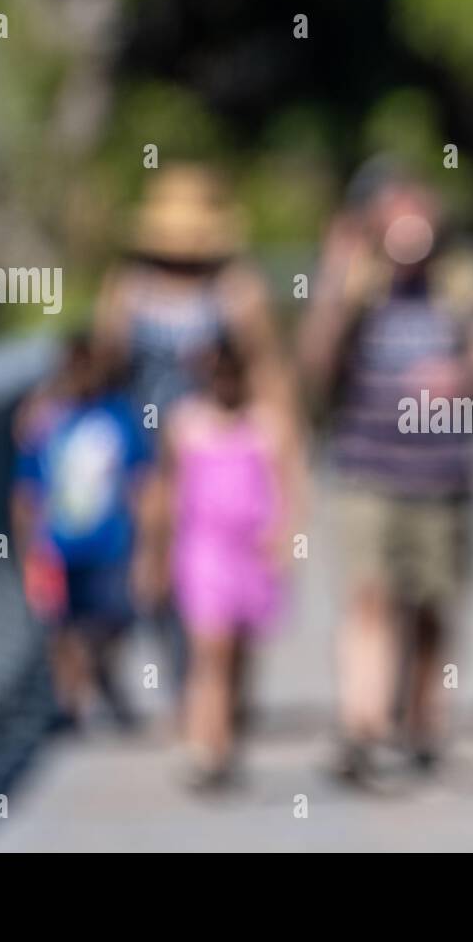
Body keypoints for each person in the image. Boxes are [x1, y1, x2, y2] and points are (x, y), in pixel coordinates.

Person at [298, 165, 473, 781]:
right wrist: (335, 278)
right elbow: (314, 367)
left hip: (442, 477)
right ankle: (362, 727)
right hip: (366, 471)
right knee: (370, 597)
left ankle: (422, 722)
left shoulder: (461, 281)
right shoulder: (358, 283)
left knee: (430, 604)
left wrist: (465, 376)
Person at [92, 163, 296, 699]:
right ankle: (170, 670)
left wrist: (284, 455)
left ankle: (213, 686)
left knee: (215, 563)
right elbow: (103, 363)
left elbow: (265, 370)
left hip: (218, 451)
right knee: (151, 563)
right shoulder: (128, 288)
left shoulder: (235, 289)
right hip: (144, 448)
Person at [140, 339, 304, 789]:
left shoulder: (267, 424)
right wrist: (154, 554)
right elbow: (166, 491)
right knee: (209, 650)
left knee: (240, 650)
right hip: (203, 550)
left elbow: (287, 485)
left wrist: (285, 539)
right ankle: (205, 746)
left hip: (251, 550)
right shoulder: (184, 425)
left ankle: (229, 735)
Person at [11, 335, 151, 729]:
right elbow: (26, 490)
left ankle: (101, 676)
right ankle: (68, 703)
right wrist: (26, 547)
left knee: (113, 620)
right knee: (62, 627)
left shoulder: (118, 416)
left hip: (110, 544)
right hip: (56, 544)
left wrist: (149, 546)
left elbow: (140, 481)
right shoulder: (45, 422)